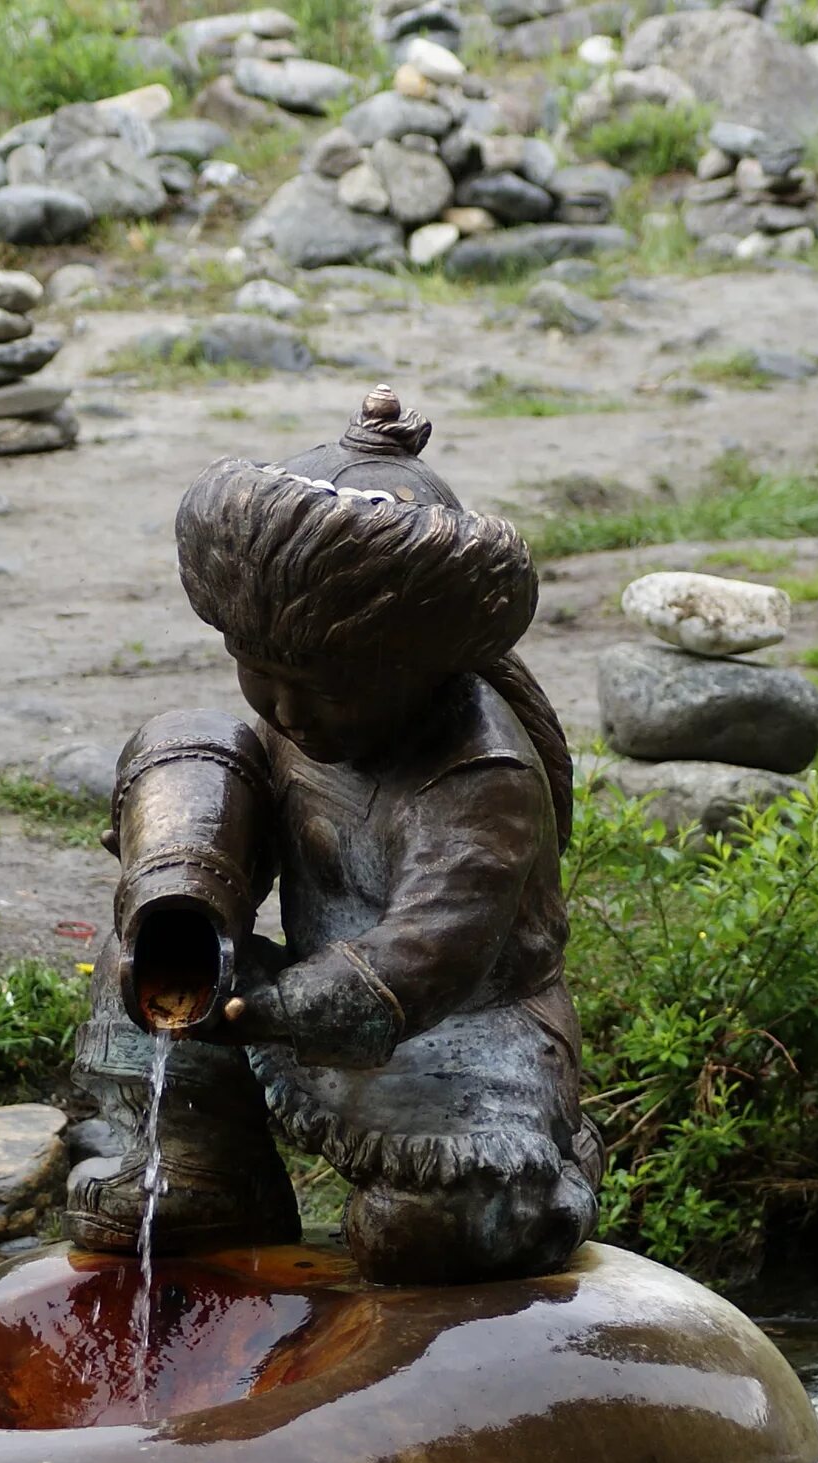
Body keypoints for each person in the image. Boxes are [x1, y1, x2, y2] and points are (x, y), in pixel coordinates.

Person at [65, 388, 601, 1284]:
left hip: (461, 1036)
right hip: (286, 1001)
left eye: (329, 688)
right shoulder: (282, 723)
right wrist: (183, 915)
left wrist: (263, 1005)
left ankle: (551, 1174)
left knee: (425, 1232)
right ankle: (200, 1170)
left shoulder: (479, 778)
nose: (287, 709)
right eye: (260, 673)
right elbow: (210, 802)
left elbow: (423, 960)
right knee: (157, 928)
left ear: (420, 668)